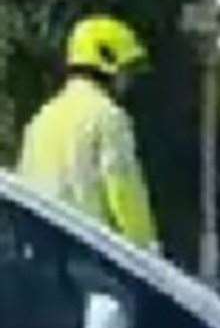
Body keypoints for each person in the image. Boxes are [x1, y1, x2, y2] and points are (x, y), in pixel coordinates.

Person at [18, 15, 158, 250]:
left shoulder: (40, 119)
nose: (130, 80)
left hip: (41, 258)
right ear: (107, 62)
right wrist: (149, 256)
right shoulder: (108, 118)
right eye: (127, 69)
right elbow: (124, 195)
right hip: (90, 260)